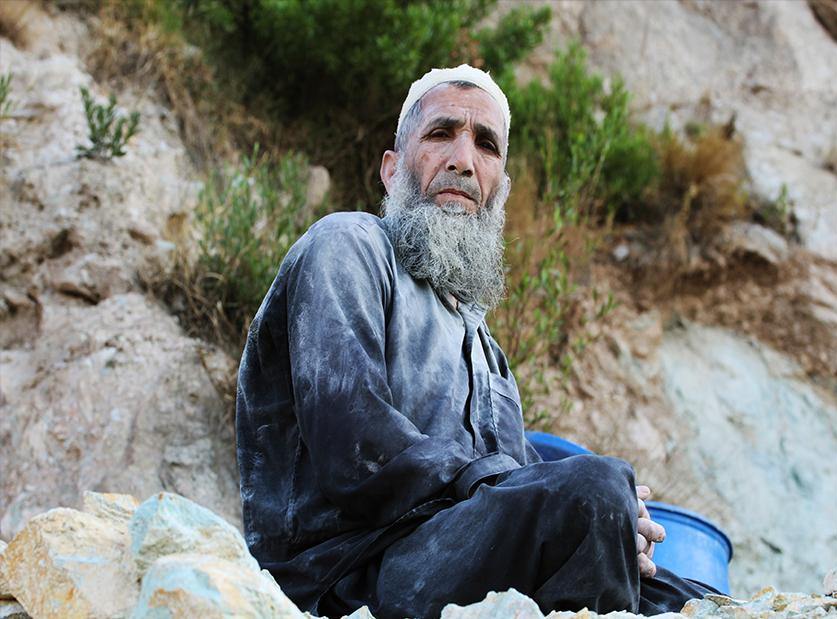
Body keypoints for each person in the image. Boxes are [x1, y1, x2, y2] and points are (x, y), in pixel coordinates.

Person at [235, 65, 716, 619]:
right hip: (345, 573)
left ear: (500, 188)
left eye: (485, 145)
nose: (463, 160)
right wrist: (583, 497)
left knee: (690, 596)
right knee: (595, 488)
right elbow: (355, 444)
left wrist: (622, 522)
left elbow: (524, 483)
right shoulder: (348, 245)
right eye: (441, 134)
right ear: (391, 171)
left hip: (453, 554)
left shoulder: (481, 341)